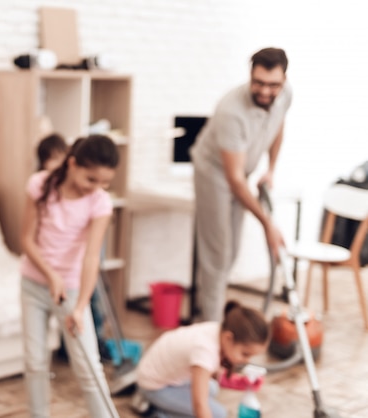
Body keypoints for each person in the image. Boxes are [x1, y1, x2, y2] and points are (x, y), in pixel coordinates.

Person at [20, 134, 120, 417]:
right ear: (73, 164)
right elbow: (26, 240)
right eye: (91, 179)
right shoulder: (40, 184)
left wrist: (79, 307)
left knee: (88, 366)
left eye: (104, 182)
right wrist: (51, 276)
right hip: (33, 284)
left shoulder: (99, 202)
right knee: (36, 363)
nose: (97, 188)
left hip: (73, 291)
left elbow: (91, 258)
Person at [190, 47, 292, 321]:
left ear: (283, 80)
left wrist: (271, 169)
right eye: (258, 82)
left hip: (240, 173)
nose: (266, 91)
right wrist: (267, 223)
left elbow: (277, 125)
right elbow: (234, 179)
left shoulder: (285, 94)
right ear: (250, 75)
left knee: (230, 251)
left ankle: (214, 318)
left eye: (273, 85)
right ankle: (211, 331)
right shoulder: (231, 111)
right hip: (214, 173)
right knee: (217, 253)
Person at [135, 300, 269, 418]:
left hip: (166, 374)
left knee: (212, 389)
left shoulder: (219, 331)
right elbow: (199, 404)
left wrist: (239, 382)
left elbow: (212, 374)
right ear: (228, 338)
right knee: (218, 414)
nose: (247, 360)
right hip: (154, 387)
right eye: (245, 354)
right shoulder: (205, 351)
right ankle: (155, 411)